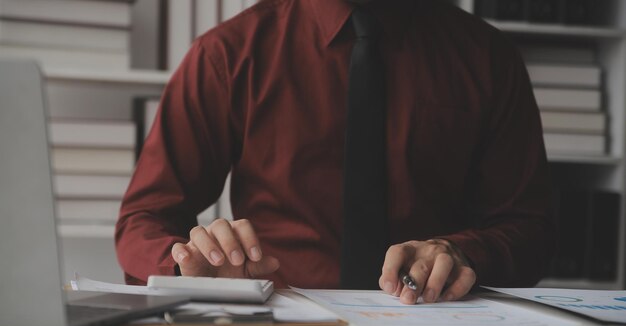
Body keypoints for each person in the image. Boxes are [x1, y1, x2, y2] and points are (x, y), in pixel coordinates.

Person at [116, 0, 556, 305]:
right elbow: (144, 218)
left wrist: (459, 252)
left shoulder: (487, 58)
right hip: (276, 325)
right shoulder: (228, 56)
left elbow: (529, 230)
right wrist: (188, 266)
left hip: (434, 321)